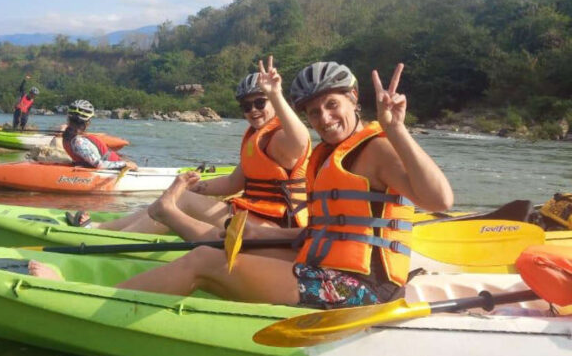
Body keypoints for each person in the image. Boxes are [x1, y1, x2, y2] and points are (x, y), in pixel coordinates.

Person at [30, 59, 454, 311]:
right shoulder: (327, 155)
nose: (324, 118)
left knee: (203, 261)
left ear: (353, 97)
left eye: (332, 105)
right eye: (314, 111)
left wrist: (398, 129)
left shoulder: (378, 148)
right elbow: (328, 227)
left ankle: (82, 298)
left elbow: (441, 201)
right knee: (231, 242)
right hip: (324, 266)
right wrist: (265, 234)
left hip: (361, 289)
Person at [64, 57, 312, 236]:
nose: (254, 110)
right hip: (254, 217)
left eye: (260, 102)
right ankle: (107, 228)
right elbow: (233, 183)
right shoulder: (257, 138)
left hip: (278, 229)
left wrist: (276, 95)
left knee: (178, 203)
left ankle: (109, 236)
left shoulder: (281, 138)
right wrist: (193, 185)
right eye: (247, 107)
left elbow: (301, 141)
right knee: (178, 195)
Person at [59, 99, 138, 174]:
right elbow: (98, 164)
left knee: (124, 157)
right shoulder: (78, 142)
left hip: (111, 163)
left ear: (68, 119)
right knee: (129, 162)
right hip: (112, 167)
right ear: (88, 122)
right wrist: (124, 164)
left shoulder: (67, 136)